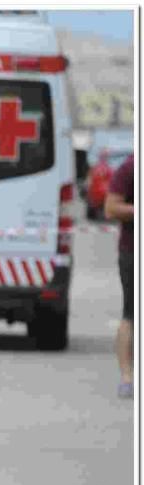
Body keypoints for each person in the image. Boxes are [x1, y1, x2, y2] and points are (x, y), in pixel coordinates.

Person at [105, 153, 135, 399]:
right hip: (133, 252)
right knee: (131, 315)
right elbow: (111, 207)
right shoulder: (131, 167)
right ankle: (127, 378)